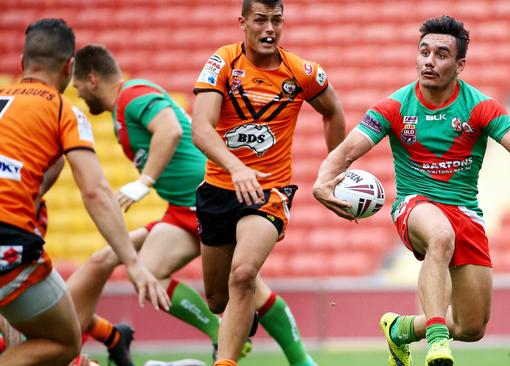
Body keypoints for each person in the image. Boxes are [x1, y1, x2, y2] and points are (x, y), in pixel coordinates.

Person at [312, 15, 510, 366]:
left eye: (441, 55)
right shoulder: (395, 106)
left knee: (472, 327)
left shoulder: (478, 106)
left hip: (465, 213)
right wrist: (323, 182)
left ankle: (401, 328)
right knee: (440, 235)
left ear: (460, 65)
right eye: (424, 52)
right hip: (414, 206)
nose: (429, 61)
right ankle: (437, 344)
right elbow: (348, 150)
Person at [72, 42, 326, 366]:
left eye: (77, 85)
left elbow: (171, 130)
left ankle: (296, 359)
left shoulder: (131, 95)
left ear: (92, 78)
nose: (77, 92)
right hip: (180, 207)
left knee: (244, 281)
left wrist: (143, 182)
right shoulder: (124, 107)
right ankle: (242, 338)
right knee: (154, 272)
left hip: (201, 197)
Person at [0, 18, 169, 366]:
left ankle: (111, 337)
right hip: (8, 244)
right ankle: (109, 341)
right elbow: (94, 191)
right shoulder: (63, 111)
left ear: (21, 62)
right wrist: (133, 264)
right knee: (63, 340)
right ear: (69, 67)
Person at [191, 0, 346, 365]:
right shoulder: (223, 62)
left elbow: (333, 112)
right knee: (217, 300)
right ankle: (245, 313)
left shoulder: (303, 72)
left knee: (244, 273)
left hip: (270, 193)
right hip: (218, 190)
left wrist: (335, 169)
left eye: (277, 20)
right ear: (242, 22)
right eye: (260, 20)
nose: (269, 29)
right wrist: (235, 167)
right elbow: (200, 128)